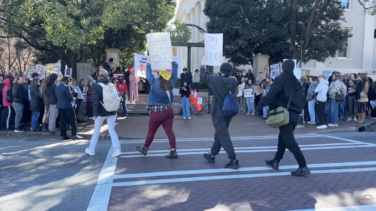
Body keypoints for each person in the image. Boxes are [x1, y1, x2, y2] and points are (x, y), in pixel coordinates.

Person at [257, 59, 310, 176]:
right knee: (283, 139)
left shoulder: (280, 79)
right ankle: (276, 161)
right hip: (295, 115)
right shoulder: (296, 81)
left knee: (290, 142)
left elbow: (271, 94)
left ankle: (303, 166)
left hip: (284, 114)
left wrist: (260, 106)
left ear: (283, 68)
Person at [200, 56, 240, 169]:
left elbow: (203, 74)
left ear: (221, 70)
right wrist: (224, 65)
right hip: (229, 112)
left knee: (223, 136)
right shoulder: (233, 80)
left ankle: (233, 159)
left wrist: (203, 63)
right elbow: (229, 75)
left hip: (218, 112)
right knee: (219, 135)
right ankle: (212, 155)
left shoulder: (216, 80)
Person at [136, 56, 178, 158]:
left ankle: (145, 148)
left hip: (158, 111)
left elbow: (148, 74)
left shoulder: (155, 82)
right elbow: (175, 73)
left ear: (159, 75)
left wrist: (148, 63)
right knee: (169, 131)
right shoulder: (171, 83)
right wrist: (173, 62)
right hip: (169, 110)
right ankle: (173, 151)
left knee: (151, 131)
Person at [85, 68, 121, 157]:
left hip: (101, 112)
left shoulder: (97, 86)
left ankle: (91, 149)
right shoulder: (111, 85)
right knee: (112, 130)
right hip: (112, 111)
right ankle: (117, 149)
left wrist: (94, 114)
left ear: (99, 76)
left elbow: (96, 102)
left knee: (96, 130)